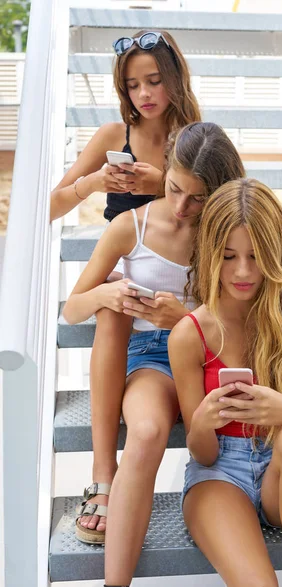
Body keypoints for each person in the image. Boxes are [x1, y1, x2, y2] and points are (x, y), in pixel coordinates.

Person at [62, 122, 246, 587]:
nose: (183, 207)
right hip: (153, 359)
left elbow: (248, 320)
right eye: (175, 188)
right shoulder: (132, 225)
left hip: (217, 352)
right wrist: (107, 291)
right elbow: (72, 307)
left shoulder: (230, 236)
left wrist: (183, 317)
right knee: (144, 431)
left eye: (198, 198)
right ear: (164, 170)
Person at [52, 30, 201, 544]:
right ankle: (102, 475)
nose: (145, 94)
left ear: (175, 78)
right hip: (127, 263)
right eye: (133, 84)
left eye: (155, 80)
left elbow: (223, 202)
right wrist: (93, 184)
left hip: (180, 277)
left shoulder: (196, 138)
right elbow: (51, 205)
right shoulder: (113, 133)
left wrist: (160, 182)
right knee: (110, 300)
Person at [168, 178, 282, 587]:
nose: (242, 271)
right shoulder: (190, 334)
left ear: (277, 255)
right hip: (219, 473)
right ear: (211, 254)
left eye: (256, 256)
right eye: (228, 256)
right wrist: (204, 424)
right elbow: (201, 452)